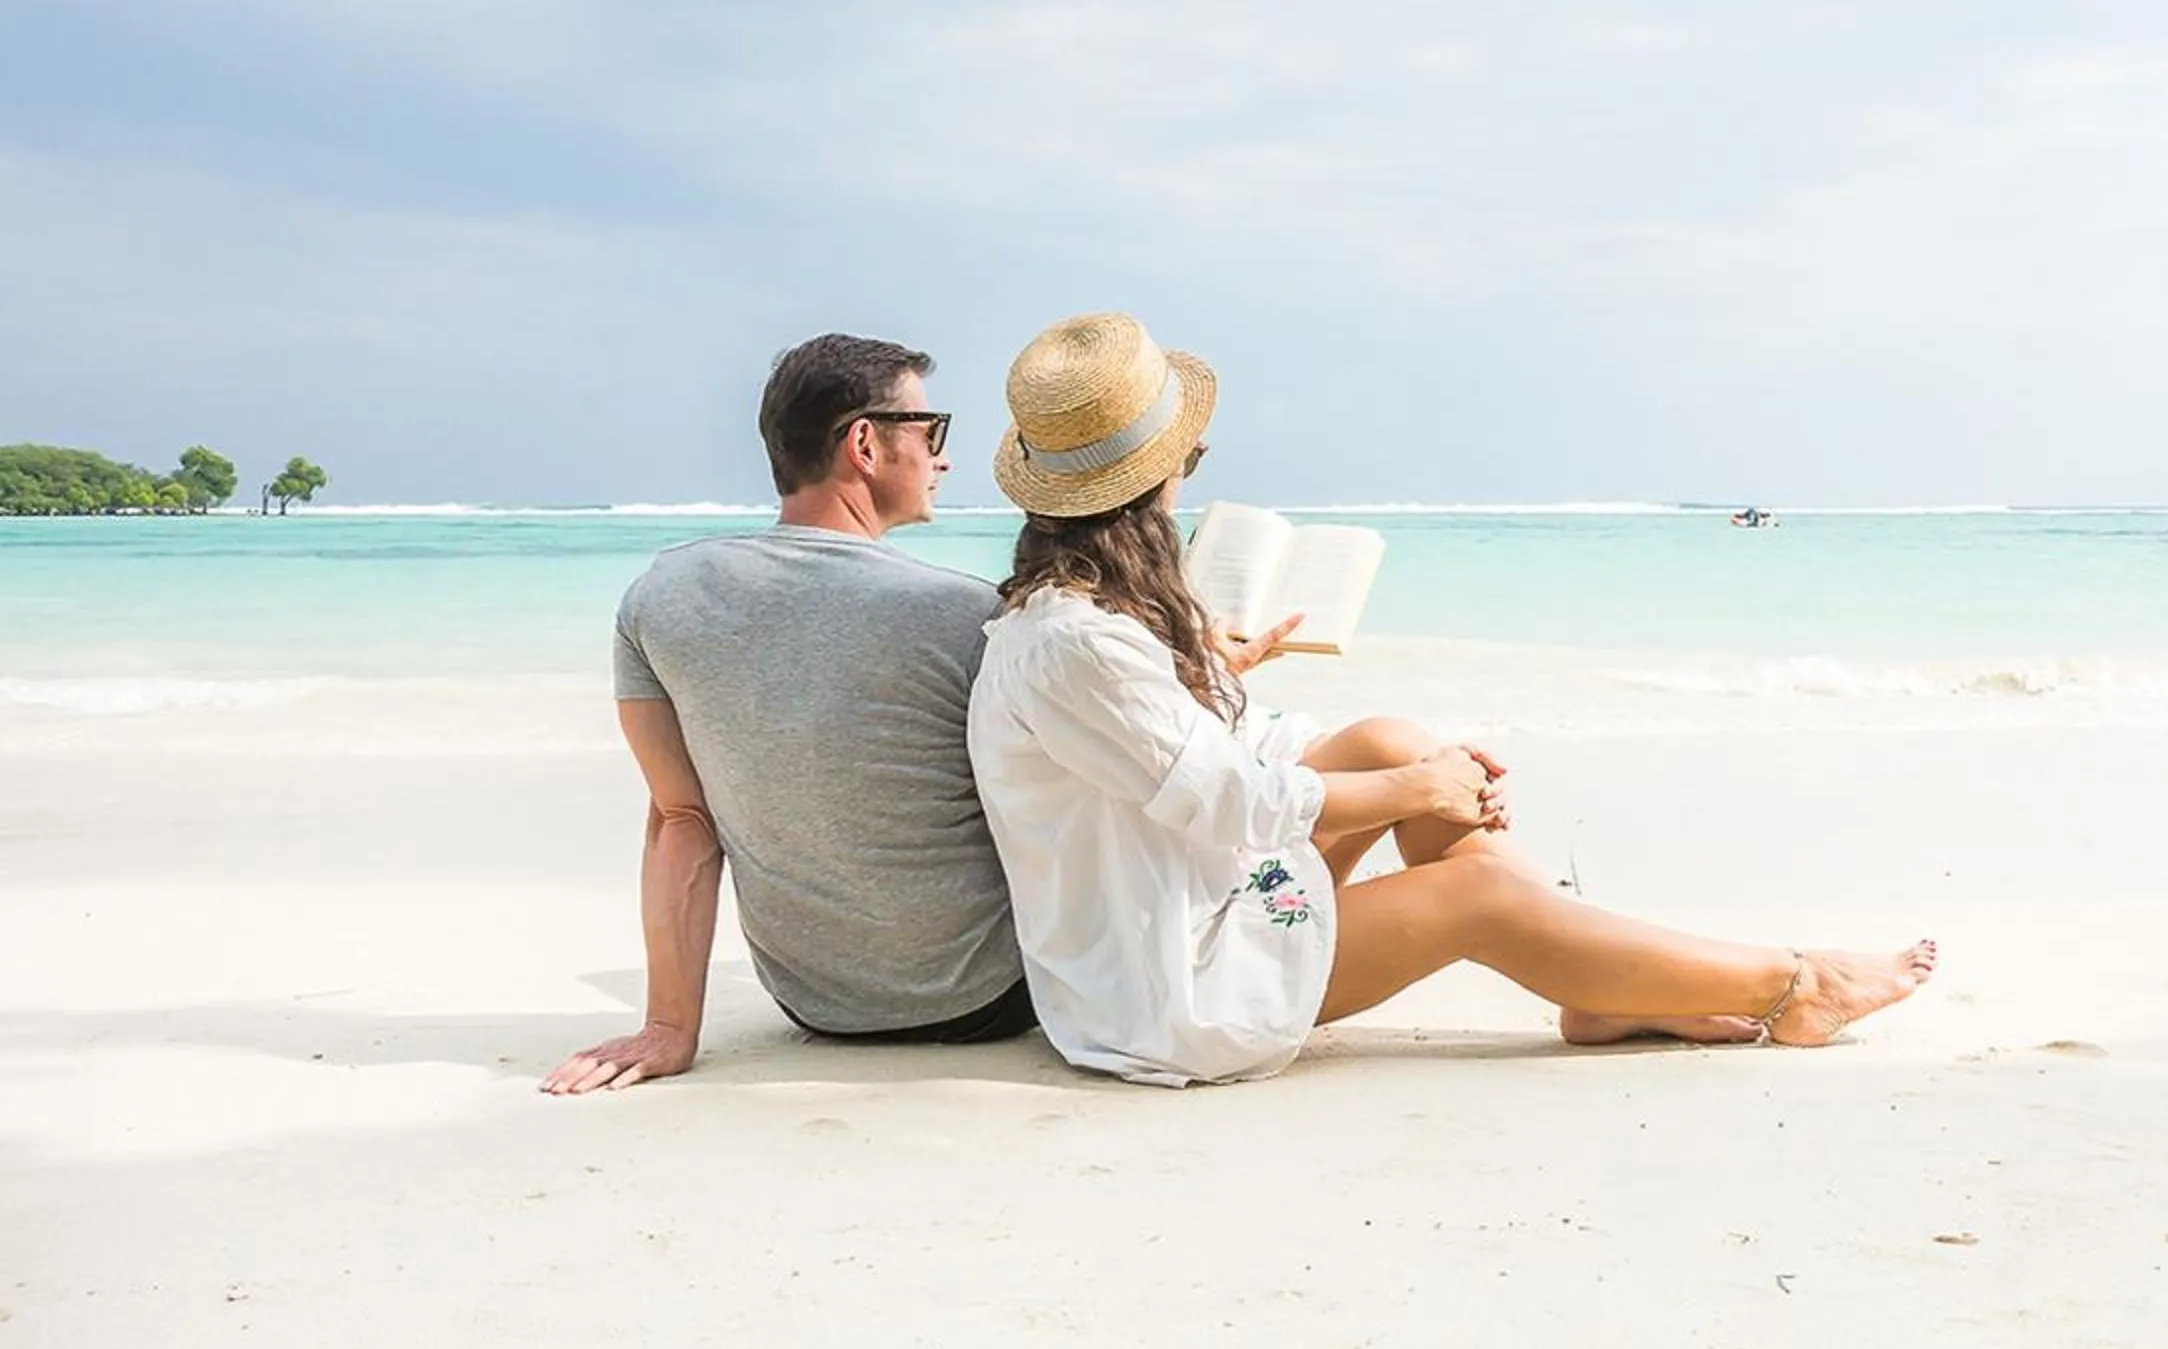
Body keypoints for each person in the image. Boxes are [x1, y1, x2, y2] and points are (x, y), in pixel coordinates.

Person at [966, 311, 1935, 1087]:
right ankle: (1794, 984)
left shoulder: (1095, 617)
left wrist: (1409, 764)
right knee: (1469, 886)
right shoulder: (1076, 642)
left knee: (1388, 737)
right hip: (1172, 989)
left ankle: (1598, 983)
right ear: (1154, 482)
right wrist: (1415, 792)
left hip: (1188, 899)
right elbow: (1227, 800)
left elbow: (1220, 757)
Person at [544, 334, 1030, 1094]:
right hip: (990, 999)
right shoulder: (964, 612)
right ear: (866, 443)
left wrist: (670, 1028)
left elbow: (681, 821)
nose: (942, 458)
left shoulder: (662, 598)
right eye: (931, 431)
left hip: (818, 1006)